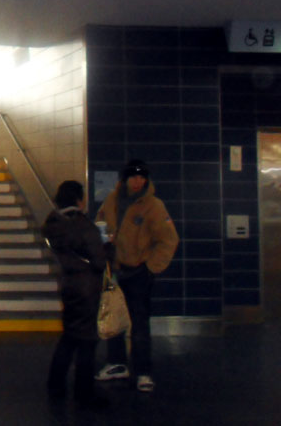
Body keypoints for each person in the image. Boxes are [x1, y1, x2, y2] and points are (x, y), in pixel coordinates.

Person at [93, 159, 179, 393]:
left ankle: (143, 370)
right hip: (114, 270)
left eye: (142, 177)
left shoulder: (153, 205)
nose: (138, 181)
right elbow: (100, 222)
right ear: (125, 179)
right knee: (114, 317)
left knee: (139, 323)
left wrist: (151, 268)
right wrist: (103, 239)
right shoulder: (111, 200)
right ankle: (118, 363)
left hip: (139, 272)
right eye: (133, 177)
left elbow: (169, 240)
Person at [43, 180, 112, 409]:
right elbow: (99, 261)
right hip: (87, 287)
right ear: (78, 199)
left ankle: (55, 385)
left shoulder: (53, 223)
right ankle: (84, 391)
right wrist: (108, 248)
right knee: (87, 340)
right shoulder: (83, 226)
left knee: (70, 336)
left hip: (68, 284)